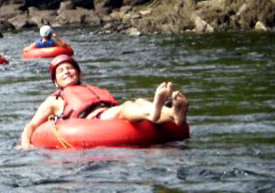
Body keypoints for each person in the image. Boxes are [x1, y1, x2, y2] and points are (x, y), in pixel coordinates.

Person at [19, 54, 189, 148]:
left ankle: (173, 114)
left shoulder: (90, 88)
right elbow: (32, 125)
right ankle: (158, 111)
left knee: (138, 102)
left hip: (108, 113)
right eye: (61, 71)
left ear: (79, 74)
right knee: (127, 107)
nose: (66, 72)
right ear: (56, 82)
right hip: (94, 118)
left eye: (70, 68)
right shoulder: (54, 99)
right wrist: (25, 144)